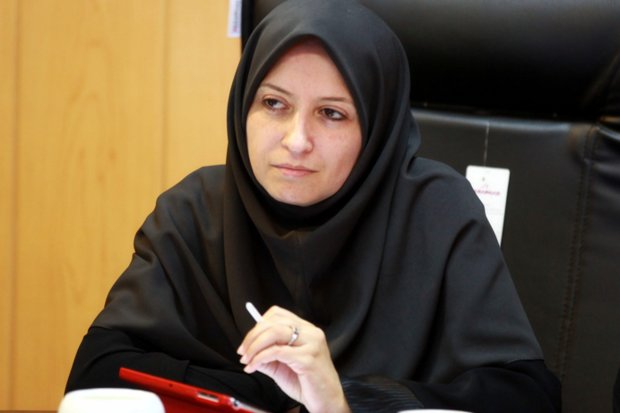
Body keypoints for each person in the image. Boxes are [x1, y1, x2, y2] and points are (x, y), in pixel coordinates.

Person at [65, 0, 561, 411]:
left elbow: (526, 396)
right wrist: (282, 392)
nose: (296, 140)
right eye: (274, 104)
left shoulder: (438, 213)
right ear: (243, 106)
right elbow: (97, 371)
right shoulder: (194, 211)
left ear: (377, 127)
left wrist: (342, 399)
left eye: (331, 113)